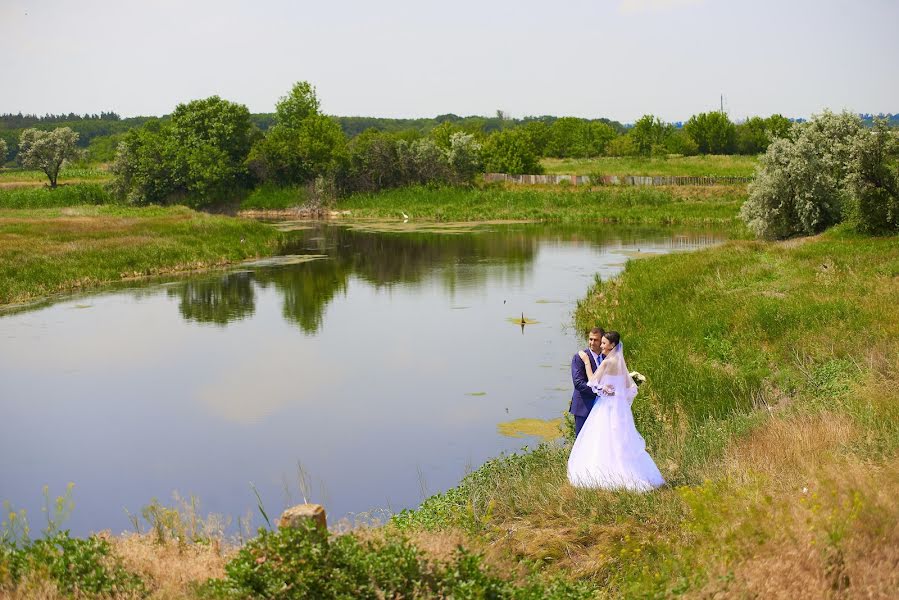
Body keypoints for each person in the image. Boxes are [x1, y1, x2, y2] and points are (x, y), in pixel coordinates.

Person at [567, 331, 665, 491]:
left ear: (612, 345)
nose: (601, 345)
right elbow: (631, 388)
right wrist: (621, 399)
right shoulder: (620, 362)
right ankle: (627, 471)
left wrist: (587, 363)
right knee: (618, 441)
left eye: (604, 343)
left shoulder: (607, 362)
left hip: (605, 407)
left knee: (601, 440)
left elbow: (592, 381)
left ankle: (605, 474)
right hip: (619, 410)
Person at [570, 327, 604, 439]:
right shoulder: (579, 357)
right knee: (582, 441)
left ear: (602, 341)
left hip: (602, 408)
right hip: (583, 408)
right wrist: (599, 392)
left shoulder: (606, 358)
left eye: (595, 340)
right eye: (590, 339)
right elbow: (578, 383)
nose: (592, 343)